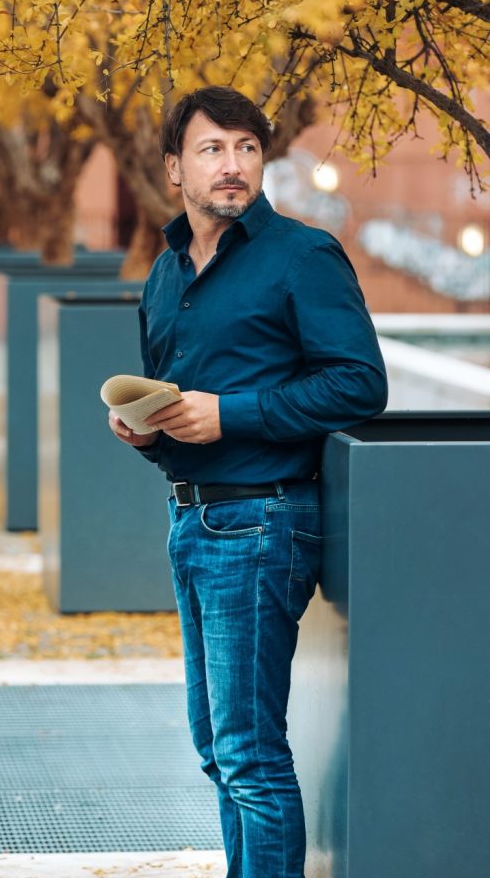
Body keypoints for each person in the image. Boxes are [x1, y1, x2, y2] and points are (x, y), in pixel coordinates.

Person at [108, 85, 388, 878]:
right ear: (174, 169)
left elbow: (359, 385)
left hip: (265, 523)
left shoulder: (302, 256)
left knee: (250, 756)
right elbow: (180, 416)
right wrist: (144, 429)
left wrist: (231, 414)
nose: (232, 166)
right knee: (218, 750)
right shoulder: (165, 274)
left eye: (247, 148)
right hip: (192, 520)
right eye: (211, 149)